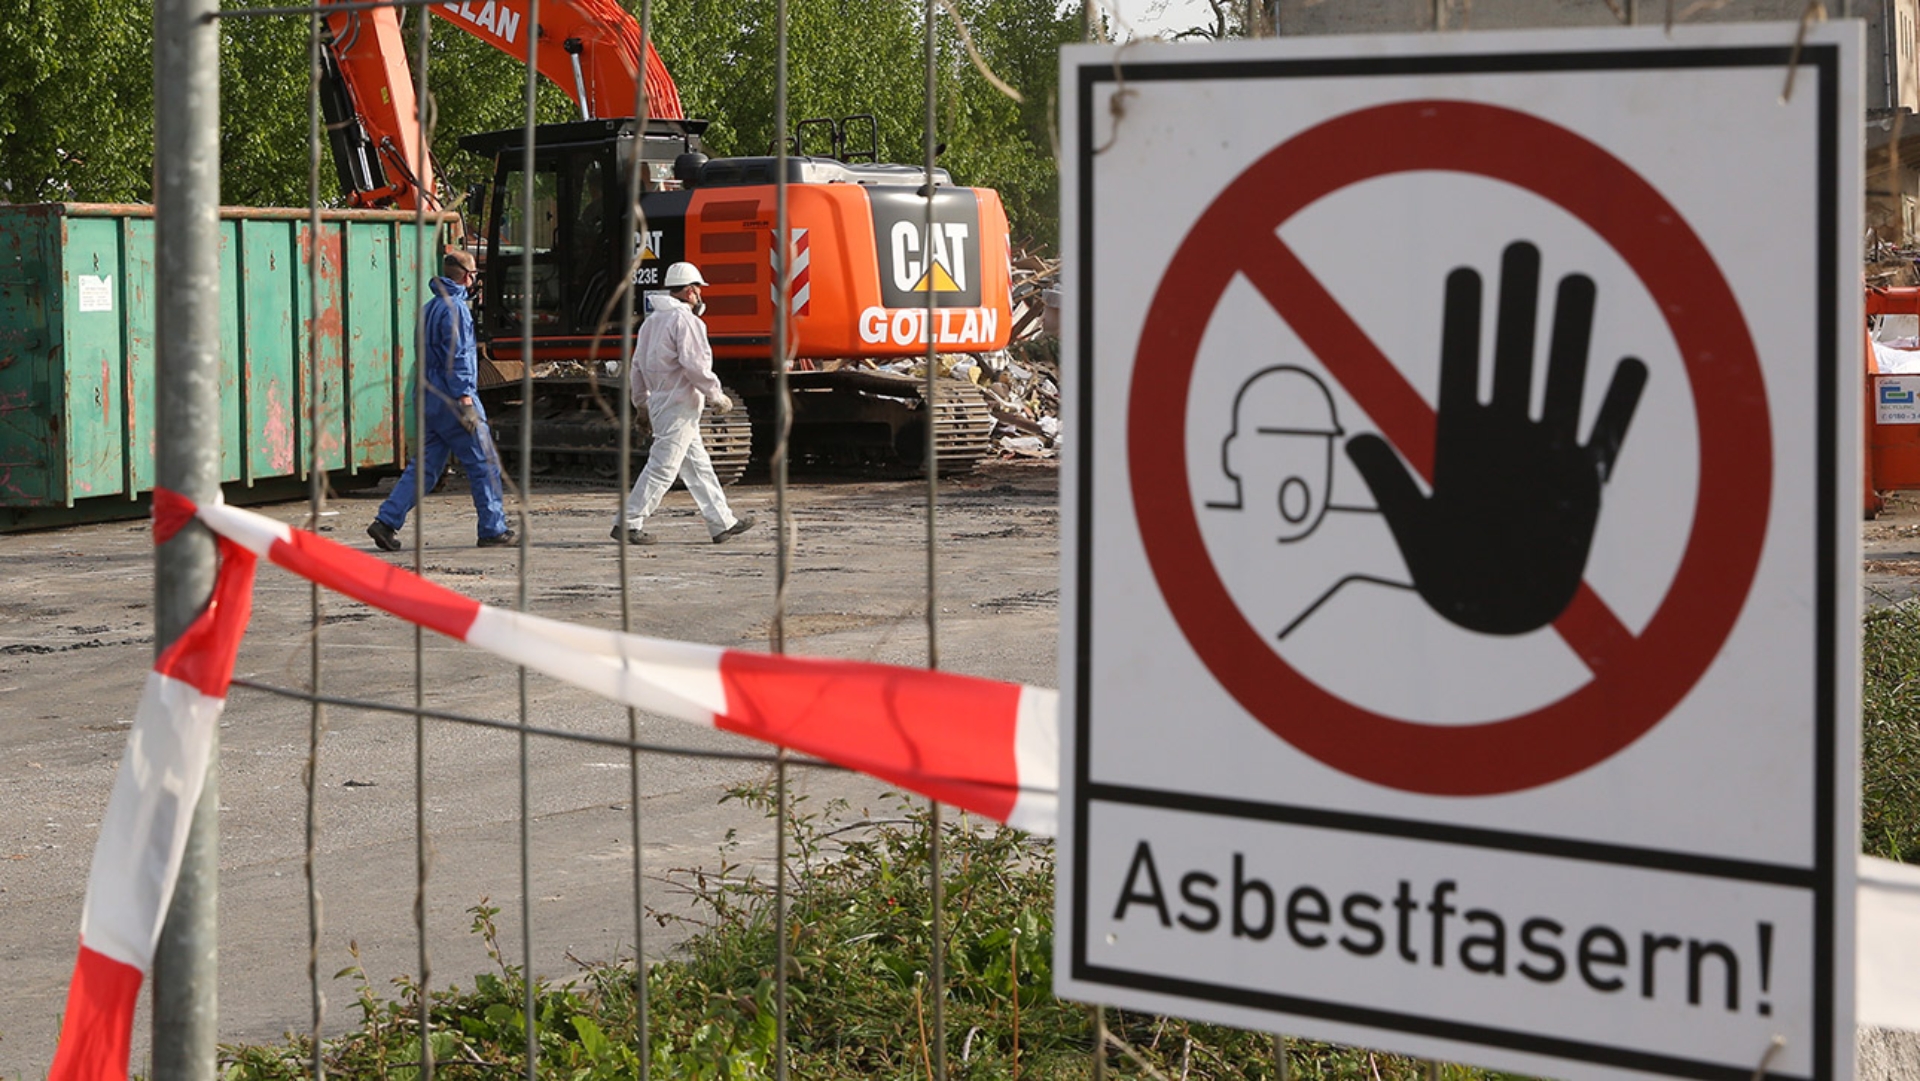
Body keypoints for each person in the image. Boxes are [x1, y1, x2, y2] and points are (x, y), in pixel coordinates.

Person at [367, 249, 514, 551]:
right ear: (466, 276)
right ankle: (492, 529)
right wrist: (465, 400)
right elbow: (458, 357)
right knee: (483, 462)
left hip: (428, 396)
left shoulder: (428, 308)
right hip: (453, 398)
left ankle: (385, 522)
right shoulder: (456, 309)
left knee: (425, 467)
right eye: (474, 274)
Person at [612, 261, 755, 545]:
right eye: (699, 289)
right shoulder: (687, 321)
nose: (701, 295)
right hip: (680, 404)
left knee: (698, 467)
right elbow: (695, 365)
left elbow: (636, 366)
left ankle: (722, 523)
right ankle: (628, 522)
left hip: (663, 403)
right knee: (663, 467)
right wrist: (716, 394)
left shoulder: (651, 322)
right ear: (690, 291)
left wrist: (641, 404)